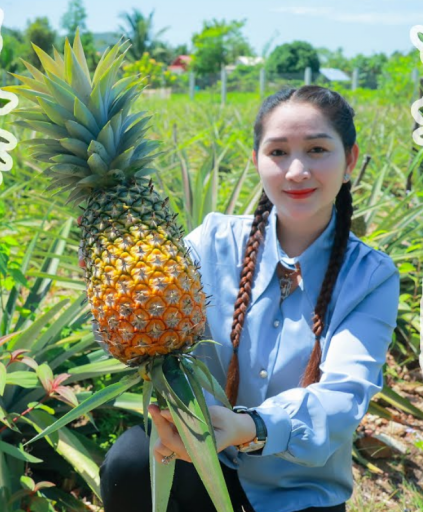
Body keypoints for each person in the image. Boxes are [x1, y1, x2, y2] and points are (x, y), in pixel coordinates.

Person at [98, 85, 401, 512]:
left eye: (317, 149)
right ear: (256, 160)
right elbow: (150, 318)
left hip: (297, 486)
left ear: (350, 161)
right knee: (130, 461)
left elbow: (344, 395)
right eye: (277, 152)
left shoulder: (370, 276)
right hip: (200, 460)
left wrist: (249, 426)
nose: (296, 170)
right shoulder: (212, 243)